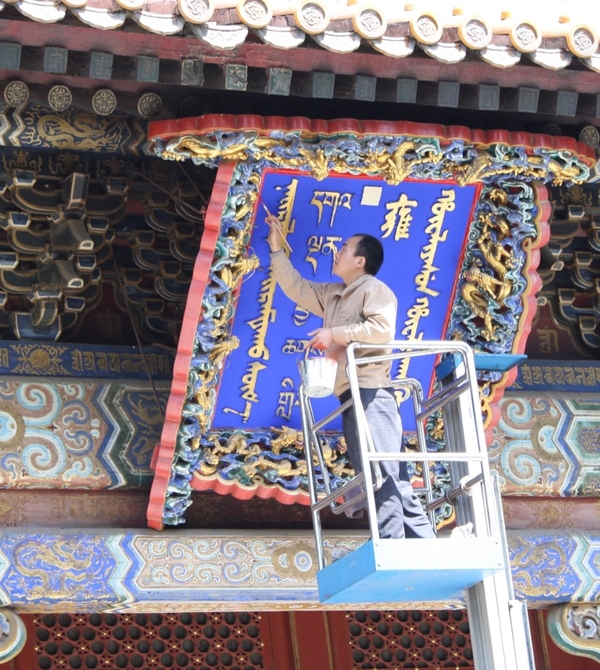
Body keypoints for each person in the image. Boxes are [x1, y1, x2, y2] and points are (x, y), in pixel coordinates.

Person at [266, 214, 435, 540]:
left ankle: (396, 544)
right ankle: (418, 544)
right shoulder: (333, 293)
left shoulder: (375, 289)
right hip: (350, 395)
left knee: (383, 473)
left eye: (343, 248)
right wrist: (276, 249)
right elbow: (296, 287)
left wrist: (335, 333)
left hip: (373, 393)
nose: (336, 251)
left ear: (360, 260)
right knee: (376, 473)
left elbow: (381, 330)